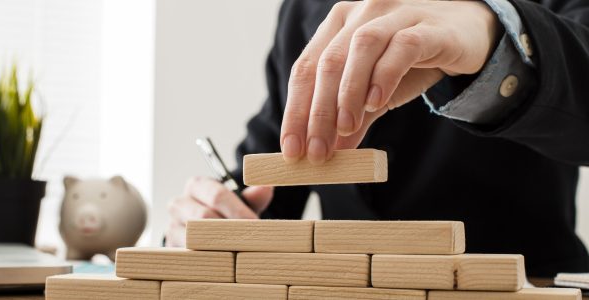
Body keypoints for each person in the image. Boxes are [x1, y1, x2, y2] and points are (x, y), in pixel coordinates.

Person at [166, 0, 589, 277]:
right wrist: (209, 218)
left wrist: (493, 38)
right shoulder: (303, 9)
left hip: (521, 282)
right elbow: (269, 174)